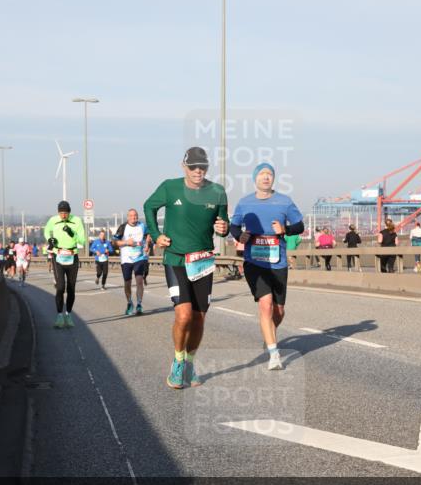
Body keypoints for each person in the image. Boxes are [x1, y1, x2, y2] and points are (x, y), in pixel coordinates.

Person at [143, 147, 228, 389]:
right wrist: (156, 234)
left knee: (200, 317)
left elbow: (224, 222)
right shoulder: (170, 187)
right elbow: (149, 206)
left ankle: (190, 362)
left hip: (202, 260)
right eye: (193, 167)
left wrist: (225, 228)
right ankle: (178, 361)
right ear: (184, 167)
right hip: (176, 259)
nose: (198, 171)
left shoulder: (218, 192)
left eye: (202, 167)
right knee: (184, 315)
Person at [230, 162, 305, 370]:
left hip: (277, 261)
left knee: (278, 311)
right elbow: (234, 226)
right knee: (266, 304)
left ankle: (269, 334)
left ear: (273, 178)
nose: (265, 177)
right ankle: (274, 353)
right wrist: (239, 235)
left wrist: (285, 229)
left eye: (269, 174)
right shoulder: (245, 203)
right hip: (254, 261)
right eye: (262, 174)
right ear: (255, 178)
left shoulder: (284, 201)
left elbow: (300, 225)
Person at [43, 200, 86, 328]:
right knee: (60, 287)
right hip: (58, 256)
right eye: (61, 213)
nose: (63, 216)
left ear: (69, 212)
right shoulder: (53, 220)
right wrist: (49, 239)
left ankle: (68, 314)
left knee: (71, 288)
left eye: (65, 213)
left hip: (72, 256)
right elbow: (46, 231)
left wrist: (71, 233)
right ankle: (59, 316)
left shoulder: (77, 221)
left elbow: (82, 240)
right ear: (58, 213)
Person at [113, 209, 151, 315]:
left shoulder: (142, 226)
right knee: (127, 283)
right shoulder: (123, 227)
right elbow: (114, 242)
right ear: (128, 217)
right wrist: (126, 242)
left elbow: (149, 234)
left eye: (135, 215)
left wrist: (147, 244)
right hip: (126, 259)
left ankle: (139, 304)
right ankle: (129, 303)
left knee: (139, 280)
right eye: (131, 216)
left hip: (140, 257)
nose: (134, 217)